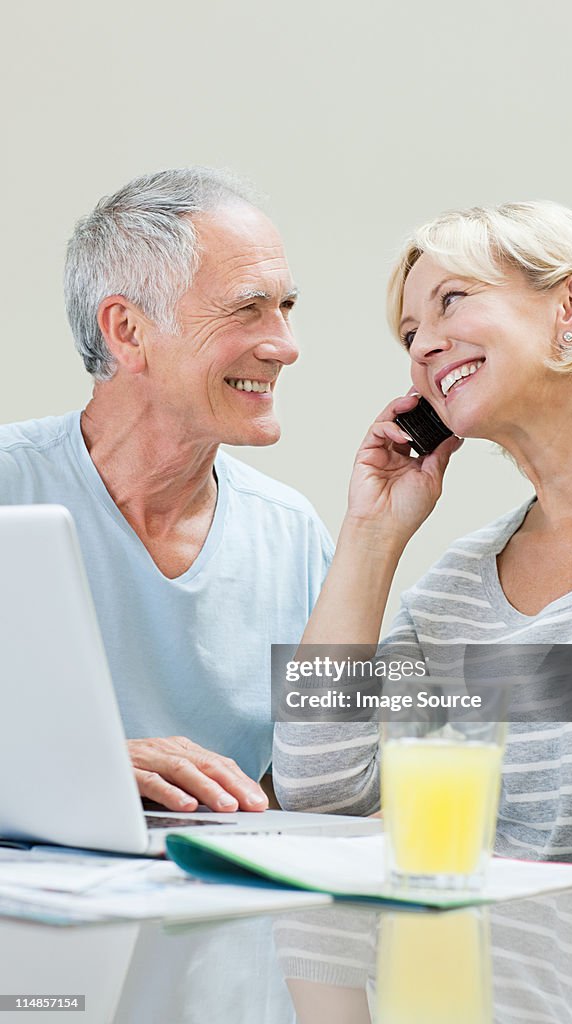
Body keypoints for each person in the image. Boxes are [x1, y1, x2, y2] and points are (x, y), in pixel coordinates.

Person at [273, 200, 572, 893]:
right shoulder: (456, 590)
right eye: (408, 333)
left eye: (451, 301)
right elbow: (320, 787)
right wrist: (370, 535)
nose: (423, 346)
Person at [0, 167, 333, 813]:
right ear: (127, 331)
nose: (285, 346)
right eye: (247, 308)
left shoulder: (291, 534)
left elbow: (332, 775)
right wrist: (84, 766)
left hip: (209, 893)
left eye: (285, 307)